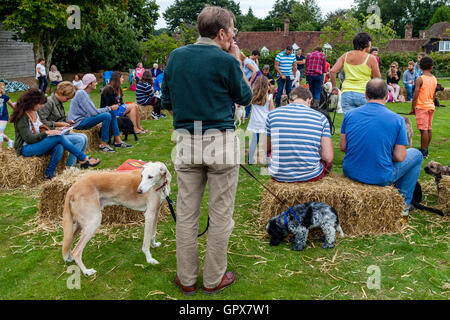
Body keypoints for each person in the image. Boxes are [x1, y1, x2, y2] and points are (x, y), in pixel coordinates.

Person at [161, 6, 252, 295]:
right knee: (221, 214)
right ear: (222, 33)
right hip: (220, 140)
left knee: (187, 214)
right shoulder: (226, 60)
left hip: (186, 140)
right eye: (233, 31)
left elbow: (165, 102)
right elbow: (246, 97)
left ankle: (186, 279)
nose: (234, 37)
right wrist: (236, 60)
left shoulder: (176, 56)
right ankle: (213, 279)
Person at [340, 79, 422, 216]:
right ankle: (403, 204)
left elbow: (343, 147)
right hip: (380, 177)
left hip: (351, 172)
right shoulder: (397, 119)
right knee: (417, 154)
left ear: (365, 95)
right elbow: (400, 156)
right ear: (386, 96)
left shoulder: (349, 115)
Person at [11, 89, 101, 180]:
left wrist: (56, 129)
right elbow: (29, 139)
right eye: (40, 104)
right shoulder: (22, 117)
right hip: (25, 148)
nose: (42, 106)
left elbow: (40, 128)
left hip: (37, 143)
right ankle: (83, 158)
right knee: (58, 137)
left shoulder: (34, 112)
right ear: (32, 102)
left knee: (59, 147)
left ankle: (48, 174)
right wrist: (47, 133)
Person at [265, 86, 333, 182]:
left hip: (278, 175)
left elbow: (266, 148)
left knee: (271, 153)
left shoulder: (272, 115)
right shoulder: (321, 118)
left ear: (290, 100)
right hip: (311, 175)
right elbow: (328, 157)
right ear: (310, 100)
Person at [68, 73, 132, 153]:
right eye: (94, 82)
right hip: (78, 123)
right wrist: (109, 108)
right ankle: (103, 145)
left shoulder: (84, 93)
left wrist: (109, 109)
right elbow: (94, 113)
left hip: (84, 119)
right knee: (106, 115)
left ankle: (118, 141)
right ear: (89, 84)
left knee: (110, 113)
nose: (97, 83)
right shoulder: (82, 94)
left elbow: (92, 111)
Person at [38, 81, 89, 169]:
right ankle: (69, 167)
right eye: (67, 98)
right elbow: (41, 122)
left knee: (84, 137)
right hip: (51, 134)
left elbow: (59, 117)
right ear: (62, 94)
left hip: (60, 131)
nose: (68, 100)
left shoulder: (58, 101)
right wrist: (58, 124)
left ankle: (79, 163)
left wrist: (67, 121)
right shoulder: (48, 102)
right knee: (79, 140)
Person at [330, 32, 381, 114]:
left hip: (346, 93)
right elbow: (377, 79)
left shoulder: (345, 56)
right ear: (367, 44)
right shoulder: (371, 58)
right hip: (363, 93)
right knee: (364, 122)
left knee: (350, 122)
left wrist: (334, 87)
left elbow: (332, 71)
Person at [411, 56, 437, 159]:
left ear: (420, 66)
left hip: (421, 107)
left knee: (423, 130)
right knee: (428, 128)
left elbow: (415, 95)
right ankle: (426, 148)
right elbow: (434, 94)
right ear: (432, 67)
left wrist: (413, 108)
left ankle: (423, 152)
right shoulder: (434, 78)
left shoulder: (420, 79)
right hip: (431, 106)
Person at [247, 76, 274, 165]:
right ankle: (267, 160)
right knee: (266, 143)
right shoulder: (269, 97)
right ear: (267, 85)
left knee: (254, 142)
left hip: (255, 123)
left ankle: (250, 160)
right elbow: (272, 110)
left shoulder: (252, 95)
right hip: (265, 123)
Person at [243, 50, 262, 118]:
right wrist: (250, 82)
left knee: (253, 96)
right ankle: (246, 114)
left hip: (257, 78)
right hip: (253, 79)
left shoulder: (253, 60)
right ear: (253, 54)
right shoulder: (248, 61)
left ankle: (247, 114)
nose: (257, 58)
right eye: (256, 57)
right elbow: (254, 71)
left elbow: (256, 69)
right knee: (250, 96)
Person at [0, 82, 16, 150]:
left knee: (0, 133)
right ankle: (9, 141)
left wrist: (18, 113)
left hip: (3, 117)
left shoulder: (5, 97)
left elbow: (13, 106)